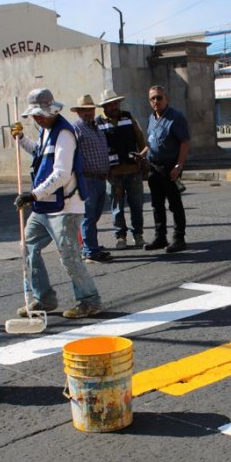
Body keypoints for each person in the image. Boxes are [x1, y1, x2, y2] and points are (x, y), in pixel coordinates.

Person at [9, 87, 103, 319]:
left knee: (69, 256)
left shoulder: (64, 134)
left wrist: (33, 195)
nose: (36, 118)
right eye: (34, 115)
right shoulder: (45, 131)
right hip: (45, 205)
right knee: (28, 247)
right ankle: (44, 299)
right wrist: (21, 140)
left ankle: (89, 301)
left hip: (66, 207)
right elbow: (39, 154)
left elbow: (61, 174)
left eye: (40, 114)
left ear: (52, 110)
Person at [96, 88, 147, 250]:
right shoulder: (98, 122)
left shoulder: (128, 117)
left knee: (137, 205)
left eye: (116, 103)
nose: (114, 106)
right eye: (110, 104)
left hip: (133, 170)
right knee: (117, 208)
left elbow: (140, 139)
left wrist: (142, 156)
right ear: (104, 107)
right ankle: (120, 237)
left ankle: (138, 235)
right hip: (113, 173)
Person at [143, 85, 190, 253]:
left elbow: (184, 142)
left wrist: (179, 165)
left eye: (159, 97)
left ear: (166, 98)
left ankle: (179, 238)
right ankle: (160, 236)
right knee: (157, 205)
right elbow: (150, 141)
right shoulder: (151, 118)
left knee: (175, 204)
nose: (156, 101)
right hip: (154, 167)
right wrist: (142, 154)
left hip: (170, 166)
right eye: (152, 98)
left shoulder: (175, 118)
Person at [70, 94, 112, 263]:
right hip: (87, 178)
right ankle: (90, 251)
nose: (88, 113)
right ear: (78, 112)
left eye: (90, 110)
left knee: (95, 214)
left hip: (101, 178)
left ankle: (90, 244)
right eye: (84, 110)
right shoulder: (76, 129)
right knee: (88, 215)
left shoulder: (96, 127)